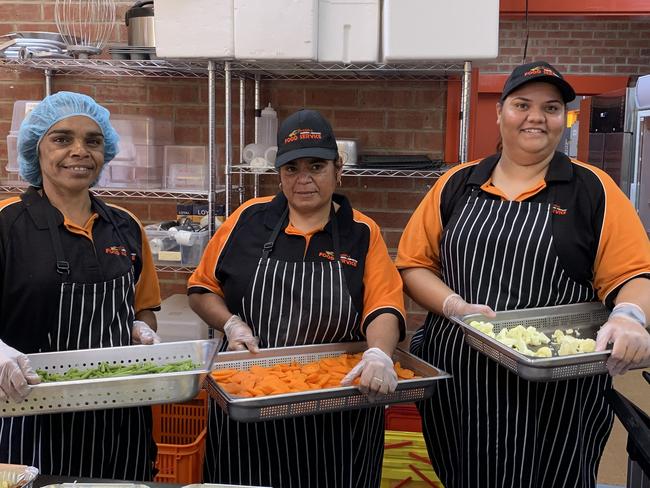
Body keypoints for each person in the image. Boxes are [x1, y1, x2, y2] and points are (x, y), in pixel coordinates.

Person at [396, 61, 650, 488]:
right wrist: (453, 305)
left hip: (557, 393)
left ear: (562, 120)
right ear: (500, 113)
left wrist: (630, 316)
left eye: (551, 108)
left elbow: (635, 273)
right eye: (522, 104)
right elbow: (414, 264)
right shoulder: (458, 184)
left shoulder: (592, 189)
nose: (536, 117)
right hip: (462, 381)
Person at [188, 108, 406, 487]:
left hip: (338, 406)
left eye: (316, 166)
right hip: (250, 399)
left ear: (338, 169)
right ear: (279, 174)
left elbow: (383, 306)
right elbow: (202, 289)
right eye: (292, 169)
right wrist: (229, 322)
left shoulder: (361, 231)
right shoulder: (247, 220)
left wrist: (379, 354)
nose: (303, 180)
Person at [0, 91, 162, 479]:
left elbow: (143, 310)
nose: (80, 151)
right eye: (62, 139)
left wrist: (142, 330)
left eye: (92, 141)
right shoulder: (6, 225)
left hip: (119, 421)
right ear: (36, 150)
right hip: (29, 417)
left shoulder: (126, 226)